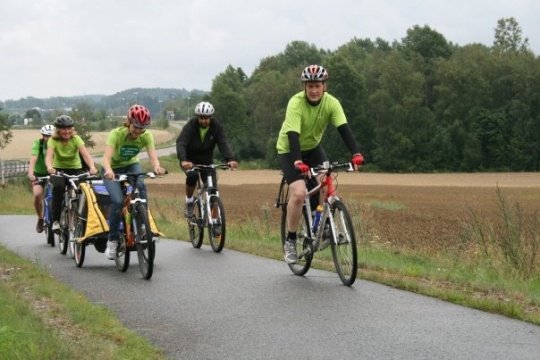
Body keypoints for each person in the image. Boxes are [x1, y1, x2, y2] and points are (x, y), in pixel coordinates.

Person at [276, 64, 364, 264]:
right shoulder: (295, 103)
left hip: (313, 147)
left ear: (324, 86)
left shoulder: (332, 103)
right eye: (310, 86)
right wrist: (298, 160)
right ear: (304, 87)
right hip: (290, 149)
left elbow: (344, 129)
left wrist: (356, 153)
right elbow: (293, 134)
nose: (314, 90)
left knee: (326, 179)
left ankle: (321, 227)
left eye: (318, 86)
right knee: (298, 193)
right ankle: (290, 242)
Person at [101, 104, 165, 260]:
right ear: (129, 122)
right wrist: (109, 170)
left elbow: (152, 157)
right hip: (112, 170)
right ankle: (113, 240)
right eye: (136, 127)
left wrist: (156, 166)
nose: (138, 131)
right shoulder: (116, 134)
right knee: (117, 201)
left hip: (131, 166)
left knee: (141, 186)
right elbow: (106, 159)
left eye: (142, 128)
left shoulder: (146, 135)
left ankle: (143, 226)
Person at [175, 101, 237, 231]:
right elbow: (181, 142)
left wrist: (229, 159)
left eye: (206, 118)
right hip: (189, 161)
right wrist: (183, 160)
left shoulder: (216, 127)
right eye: (201, 118)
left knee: (213, 191)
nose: (203, 121)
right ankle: (189, 202)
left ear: (211, 117)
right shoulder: (191, 126)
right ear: (198, 117)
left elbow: (222, 142)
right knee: (192, 176)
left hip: (207, 162)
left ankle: (215, 222)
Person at [46, 115, 98, 233]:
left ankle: (83, 219)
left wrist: (92, 167)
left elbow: (86, 155)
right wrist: (49, 167)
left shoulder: (76, 139)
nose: (67, 131)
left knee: (84, 190)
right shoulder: (53, 140)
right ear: (58, 130)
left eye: (69, 128)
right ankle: (56, 221)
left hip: (75, 170)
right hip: (58, 170)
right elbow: (49, 156)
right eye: (64, 129)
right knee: (58, 189)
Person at [28, 124, 55, 233]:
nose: (48, 138)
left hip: (53, 172)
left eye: (50, 136)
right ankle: (40, 218)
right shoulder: (38, 144)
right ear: (43, 136)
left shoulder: (57, 144)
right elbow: (33, 160)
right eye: (46, 136)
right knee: (37, 194)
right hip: (38, 173)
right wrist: (31, 173)